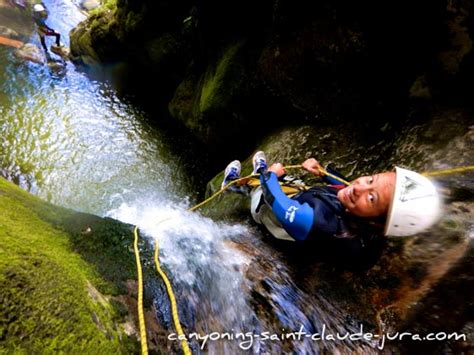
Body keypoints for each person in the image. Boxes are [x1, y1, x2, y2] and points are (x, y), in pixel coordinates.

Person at [221, 151, 441, 268]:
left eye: (372, 197)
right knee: (296, 183)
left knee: (261, 195)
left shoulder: (322, 224)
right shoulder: (364, 220)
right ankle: (264, 177)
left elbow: (278, 202)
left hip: (282, 220)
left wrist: (269, 176)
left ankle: (234, 185)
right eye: (371, 179)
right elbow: (346, 185)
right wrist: (322, 172)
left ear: (376, 222)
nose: (360, 188)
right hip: (312, 201)